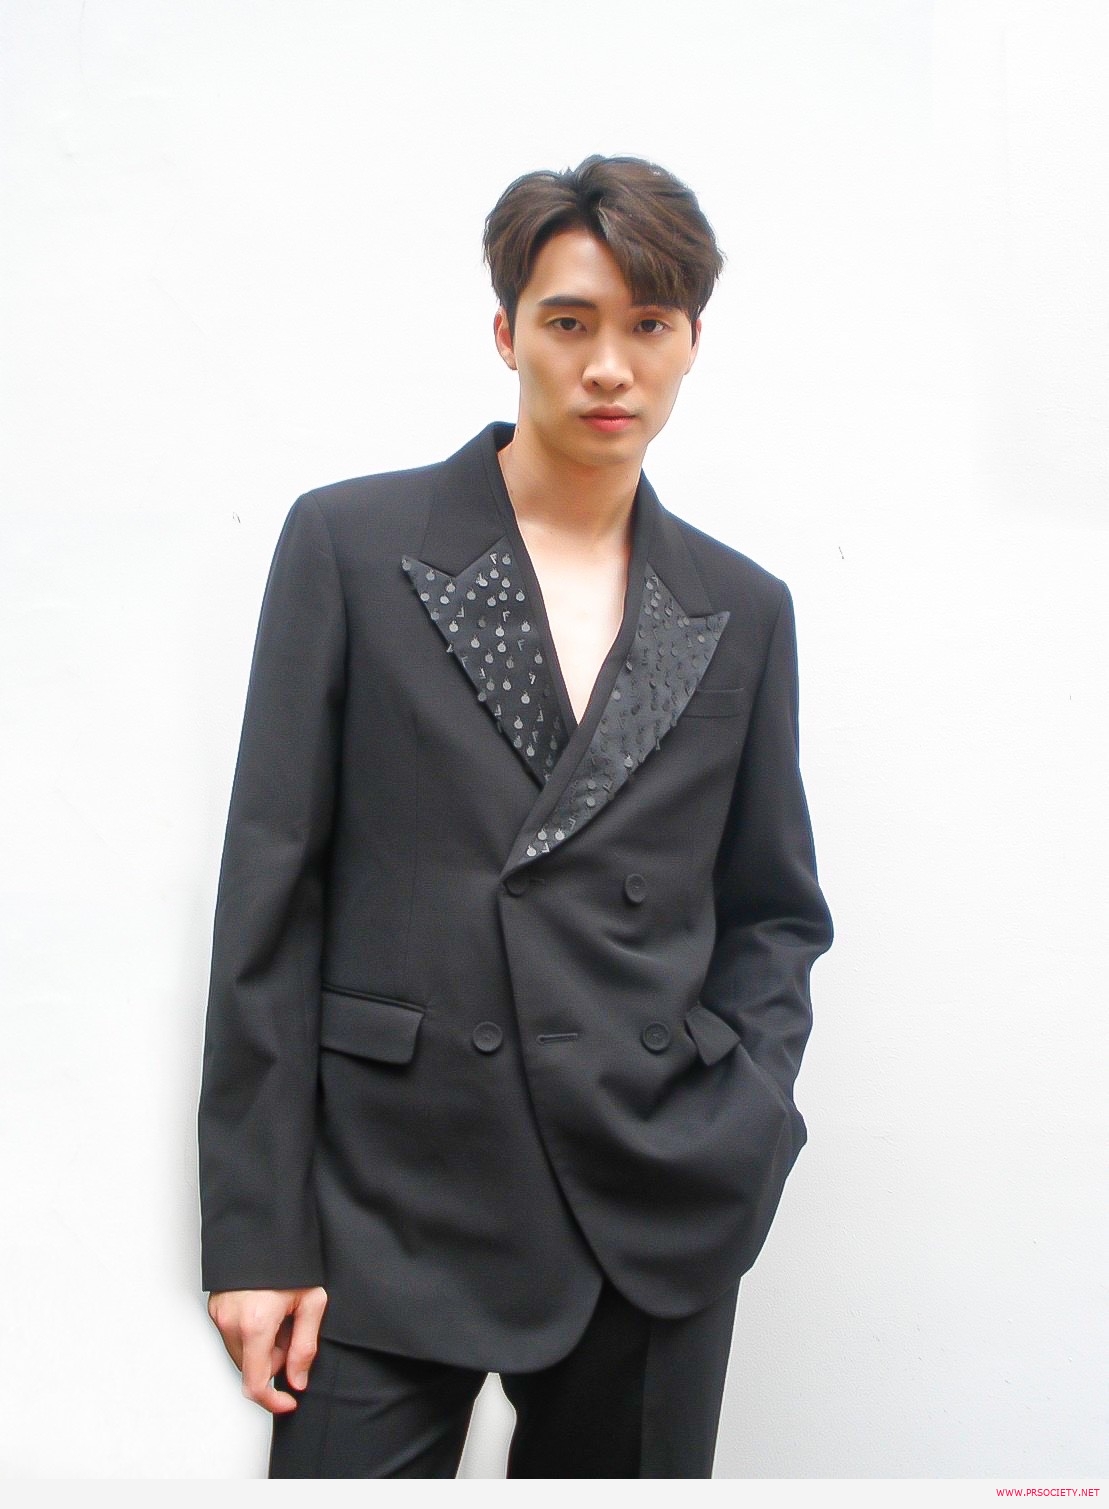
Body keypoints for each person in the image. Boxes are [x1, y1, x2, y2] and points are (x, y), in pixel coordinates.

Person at [198, 154, 833, 1479]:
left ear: (692, 343)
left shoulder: (740, 607)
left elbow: (774, 910)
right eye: (568, 321)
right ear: (505, 333)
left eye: (647, 325)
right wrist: (257, 1235)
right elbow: (271, 895)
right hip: (387, 1201)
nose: (608, 366)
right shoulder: (352, 546)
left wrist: (741, 1117)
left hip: (649, 1207)